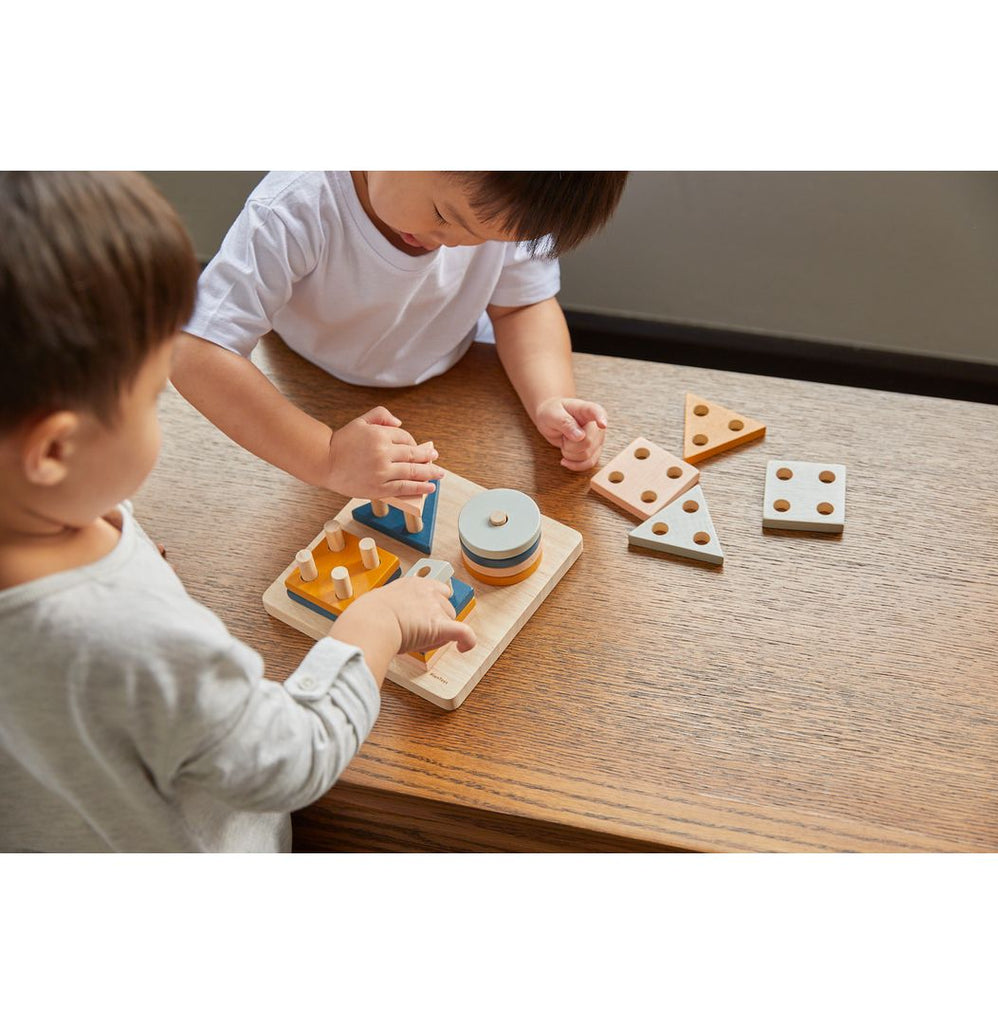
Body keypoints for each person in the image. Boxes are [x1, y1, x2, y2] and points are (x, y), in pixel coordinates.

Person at [0, 171, 476, 853]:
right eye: (149, 398)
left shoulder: (42, 505)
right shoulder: (138, 643)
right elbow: (290, 758)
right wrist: (377, 623)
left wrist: (119, 547)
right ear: (54, 449)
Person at [171, 171, 628, 501]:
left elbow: (522, 307)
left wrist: (550, 400)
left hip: (457, 375)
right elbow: (195, 351)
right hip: (314, 378)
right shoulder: (296, 205)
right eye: (443, 216)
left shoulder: (499, 205)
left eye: (483, 238)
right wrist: (326, 456)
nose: (452, 243)